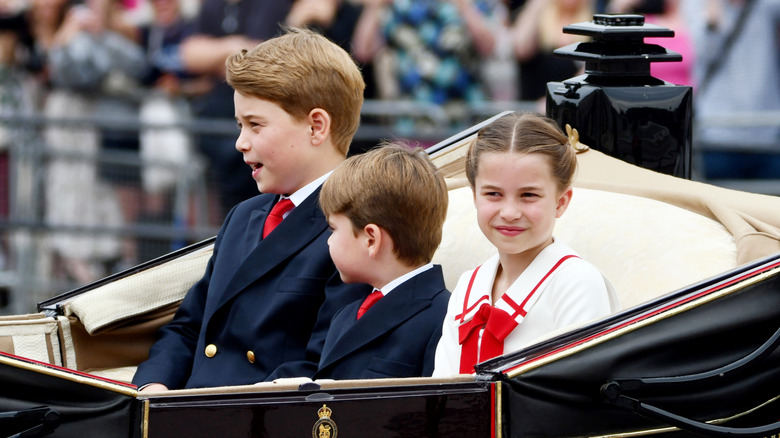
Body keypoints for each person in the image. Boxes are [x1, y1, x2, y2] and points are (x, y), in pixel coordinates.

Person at [131, 27, 372, 391]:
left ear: (316, 126)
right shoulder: (244, 216)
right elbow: (190, 325)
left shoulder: (356, 227)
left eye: (256, 125)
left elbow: (325, 361)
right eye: (240, 125)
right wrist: (154, 386)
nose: (241, 143)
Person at [432, 112, 619, 377]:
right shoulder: (468, 285)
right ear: (474, 195)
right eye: (493, 194)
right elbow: (441, 388)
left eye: (528, 195)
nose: (509, 212)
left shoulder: (577, 283)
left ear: (561, 202)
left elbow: (580, 399)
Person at [314, 144, 450, 380]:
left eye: (333, 229)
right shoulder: (345, 315)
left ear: (371, 239)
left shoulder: (446, 317)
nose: (328, 242)